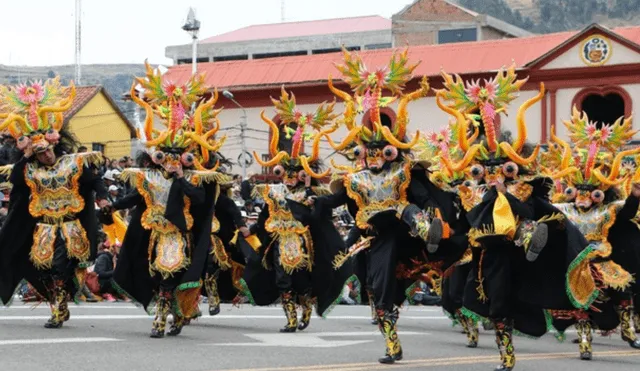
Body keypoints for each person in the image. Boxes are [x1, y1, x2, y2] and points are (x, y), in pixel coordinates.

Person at [313, 49, 445, 364]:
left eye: (379, 150)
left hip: (399, 229)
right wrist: (315, 203)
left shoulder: (402, 170)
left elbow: (421, 195)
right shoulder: (355, 179)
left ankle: (429, 232)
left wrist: (430, 213)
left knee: (404, 213)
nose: (373, 157)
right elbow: (336, 201)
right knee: (360, 275)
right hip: (368, 235)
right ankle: (392, 342)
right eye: (367, 151)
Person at [107, 62, 223, 338]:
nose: (169, 162)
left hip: (179, 235)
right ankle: (165, 316)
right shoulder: (151, 178)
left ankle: (167, 318)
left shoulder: (192, 180)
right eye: (164, 156)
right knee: (158, 277)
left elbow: (198, 199)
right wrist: (112, 205)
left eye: (176, 157)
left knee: (171, 277)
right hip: (156, 235)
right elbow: (136, 197)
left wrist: (181, 178)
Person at [236, 87, 352, 334]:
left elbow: (316, 219)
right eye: (284, 174)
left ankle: (306, 305)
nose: (288, 179)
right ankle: (290, 319)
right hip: (278, 242)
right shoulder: (274, 192)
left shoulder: (312, 195)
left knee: (301, 281)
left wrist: (310, 193)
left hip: (302, 245)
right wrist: (252, 229)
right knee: (282, 280)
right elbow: (266, 214)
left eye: (294, 174)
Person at [0, 78, 108, 328]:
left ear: (55, 144)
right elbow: (15, 180)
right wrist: (25, 156)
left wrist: (103, 199)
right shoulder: (30, 170)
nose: (46, 155)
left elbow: (94, 181)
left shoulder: (73, 163)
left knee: (60, 267)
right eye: (40, 153)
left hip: (70, 227)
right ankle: (59, 303)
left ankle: (58, 310)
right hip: (44, 228)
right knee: (45, 270)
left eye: (48, 150)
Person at [543, 109, 640, 360]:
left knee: (624, 291)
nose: (585, 197)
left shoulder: (608, 209)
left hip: (603, 260)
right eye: (580, 191)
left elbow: (627, 210)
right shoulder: (564, 209)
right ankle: (585, 344)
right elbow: (544, 212)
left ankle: (629, 330)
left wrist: (635, 195)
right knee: (581, 305)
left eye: (592, 192)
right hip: (576, 263)